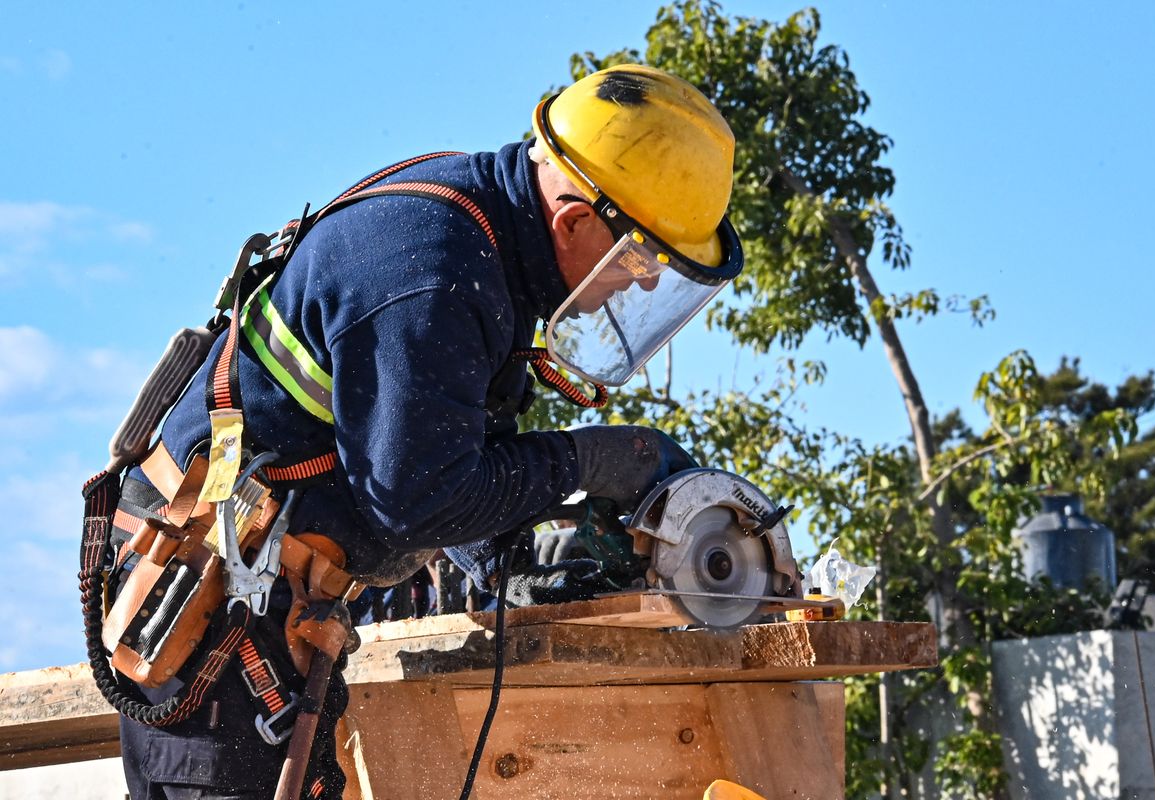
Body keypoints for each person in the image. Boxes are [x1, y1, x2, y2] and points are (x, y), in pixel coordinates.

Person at [108, 63, 743, 799]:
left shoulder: (475, 234)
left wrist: (507, 554)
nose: (635, 286)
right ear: (574, 222)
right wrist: (591, 459)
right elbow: (417, 500)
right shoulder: (436, 273)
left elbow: (414, 447)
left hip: (255, 584)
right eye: (638, 264)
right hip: (209, 596)